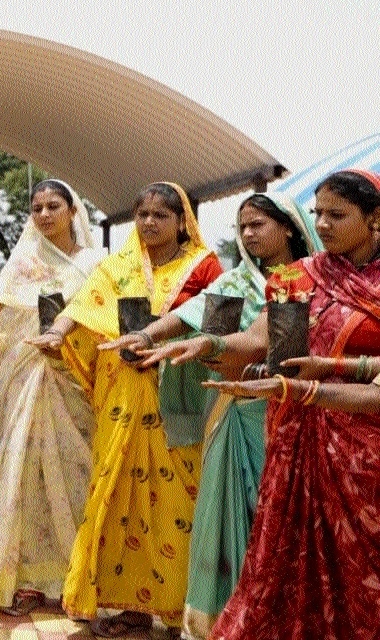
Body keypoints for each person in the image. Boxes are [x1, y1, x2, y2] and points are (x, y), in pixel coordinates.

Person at [144, 170, 380, 640]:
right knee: (289, 561)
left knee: (364, 565)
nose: (325, 224)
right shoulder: (301, 277)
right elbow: (259, 340)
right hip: (295, 441)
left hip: (365, 449)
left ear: (375, 218)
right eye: (319, 214)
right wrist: (208, 344)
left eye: (338, 214)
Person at [111, 192, 319, 639]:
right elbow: (187, 317)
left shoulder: (311, 279)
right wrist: (145, 334)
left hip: (295, 416)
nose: (248, 234)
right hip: (233, 409)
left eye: (258, 224)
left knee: (282, 520)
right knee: (233, 517)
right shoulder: (237, 281)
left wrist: (212, 344)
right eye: (242, 226)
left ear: (289, 227)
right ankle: (229, 619)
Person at [29, 182, 222, 637]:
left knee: (181, 502)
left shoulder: (204, 266)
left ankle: (179, 609)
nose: (150, 222)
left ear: (182, 221)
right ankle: (131, 606)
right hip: (121, 398)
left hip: (178, 396)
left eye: (160, 215)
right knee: (117, 496)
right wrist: (58, 334)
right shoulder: (118, 265)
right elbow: (81, 307)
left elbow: (218, 324)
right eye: (143, 214)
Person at [0, 180, 102, 615]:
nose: (45, 214)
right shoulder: (25, 260)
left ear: (73, 210)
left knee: (74, 473)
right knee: (22, 473)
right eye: (37, 207)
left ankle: (76, 573)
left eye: (53, 206)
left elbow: (101, 314)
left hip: (73, 378)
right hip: (26, 374)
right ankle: (24, 577)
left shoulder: (94, 262)